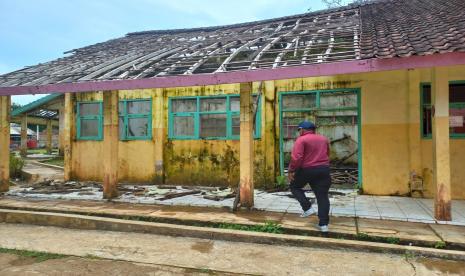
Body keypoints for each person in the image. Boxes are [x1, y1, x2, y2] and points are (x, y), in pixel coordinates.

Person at [288, 121, 331, 232]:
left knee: (294, 187)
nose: (299, 132)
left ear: (302, 129)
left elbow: (297, 157)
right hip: (324, 170)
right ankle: (324, 225)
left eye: (299, 130)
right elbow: (328, 153)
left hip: (307, 169)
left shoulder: (301, 140)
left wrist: (292, 170)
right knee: (322, 197)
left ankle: (307, 208)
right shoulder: (323, 139)